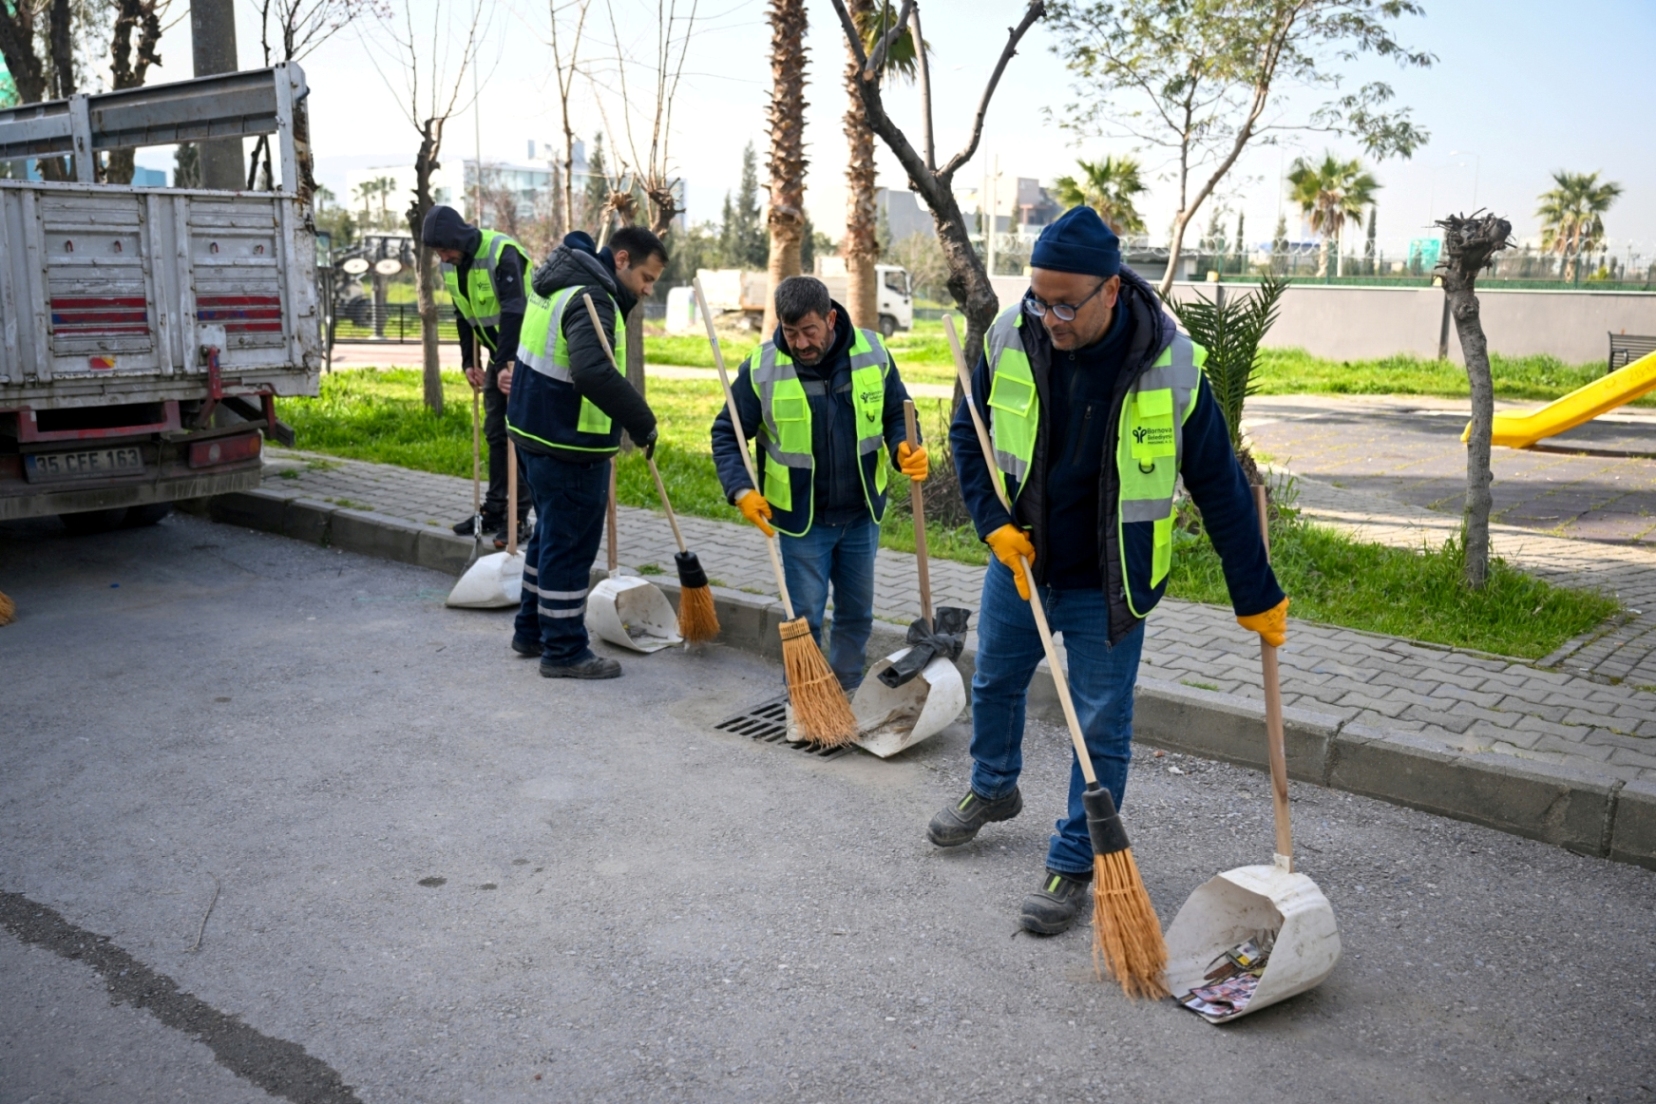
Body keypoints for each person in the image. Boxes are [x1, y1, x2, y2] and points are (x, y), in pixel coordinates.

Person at [937, 206, 1289, 935]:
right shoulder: (1012, 333)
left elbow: (1220, 484)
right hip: (1022, 563)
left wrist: (1254, 591)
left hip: (1110, 582)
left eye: (1067, 303)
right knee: (995, 681)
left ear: (1112, 291)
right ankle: (993, 788)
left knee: (1099, 726)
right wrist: (991, 523)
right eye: (1039, 297)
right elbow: (966, 434)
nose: (1051, 317)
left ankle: (1075, 858)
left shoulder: (1170, 363)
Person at [711, 275, 927, 691]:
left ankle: (845, 693)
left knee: (856, 615)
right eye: (790, 333)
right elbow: (727, 432)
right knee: (805, 619)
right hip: (801, 521)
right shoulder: (763, 367)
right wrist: (741, 490)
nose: (800, 343)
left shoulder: (872, 351)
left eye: (809, 331)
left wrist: (904, 446)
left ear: (830, 318)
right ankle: (806, 700)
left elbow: (898, 412)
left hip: (861, 515)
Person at [506, 227, 664, 679]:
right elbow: (592, 373)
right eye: (646, 278)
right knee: (570, 546)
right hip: (567, 443)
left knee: (549, 536)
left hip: (534, 431)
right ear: (620, 259)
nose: (648, 290)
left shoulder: (560, 284)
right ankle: (565, 649)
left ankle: (532, 630)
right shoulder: (592, 299)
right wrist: (642, 420)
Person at [421, 205, 532, 547]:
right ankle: (495, 511)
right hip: (498, 357)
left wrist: (507, 364)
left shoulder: (502, 252)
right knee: (497, 435)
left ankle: (520, 516)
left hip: (524, 357)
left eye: (444, 249)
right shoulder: (452, 266)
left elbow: (515, 309)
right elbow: (462, 313)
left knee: (521, 437)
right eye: (437, 252)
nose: (442, 256)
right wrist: (469, 361)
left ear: (458, 239)